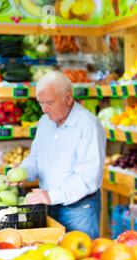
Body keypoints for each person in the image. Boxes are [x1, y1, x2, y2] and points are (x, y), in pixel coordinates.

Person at [20, 71, 106, 238]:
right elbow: (36, 158)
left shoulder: (88, 125)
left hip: (78, 210)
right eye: (41, 103)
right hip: (49, 205)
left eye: (49, 102)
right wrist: (24, 172)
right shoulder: (45, 122)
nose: (44, 109)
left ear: (68, 98)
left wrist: (51, 196)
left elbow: (88, 177)